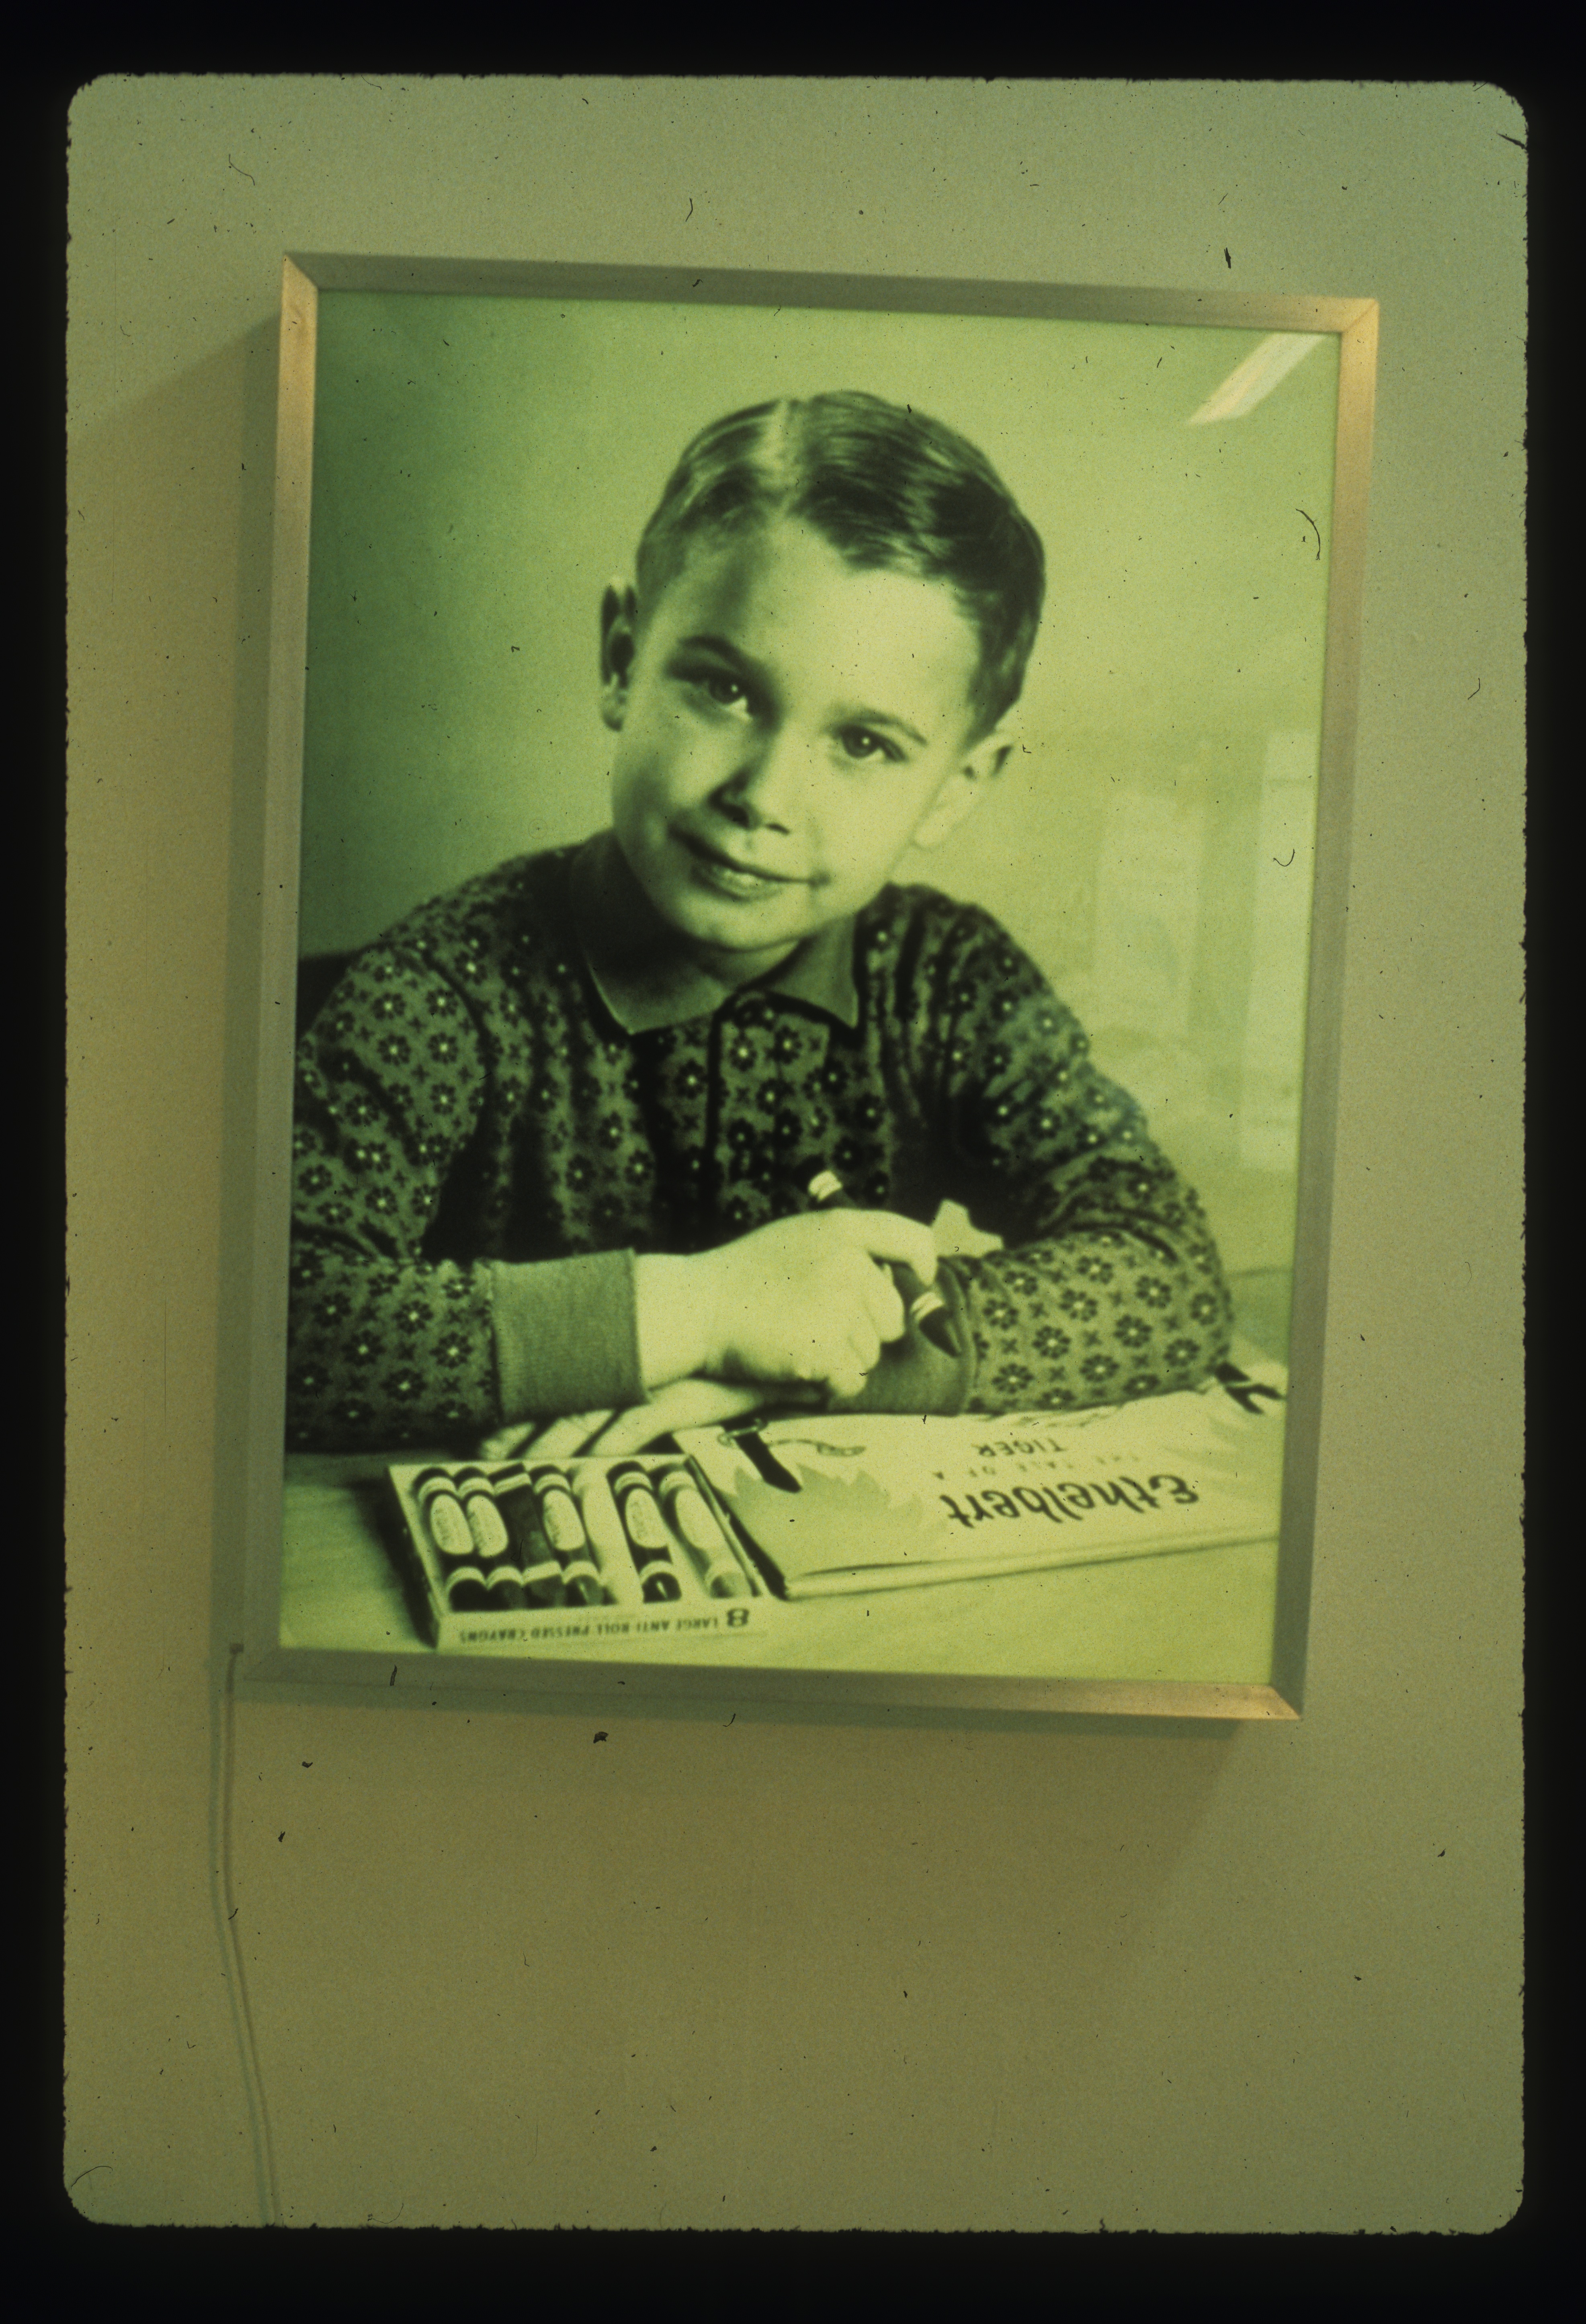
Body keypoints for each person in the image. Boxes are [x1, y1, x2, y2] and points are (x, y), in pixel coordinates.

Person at [287, 391, 1232, 1453]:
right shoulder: (446, 987)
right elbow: (274, 1317)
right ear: (620, 656)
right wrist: (705, 1315)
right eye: (726, 691)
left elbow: (1168, 1272)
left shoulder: (948, 979)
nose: (764, 794)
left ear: (959, 786)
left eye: (865, 744)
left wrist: (805, 1367)